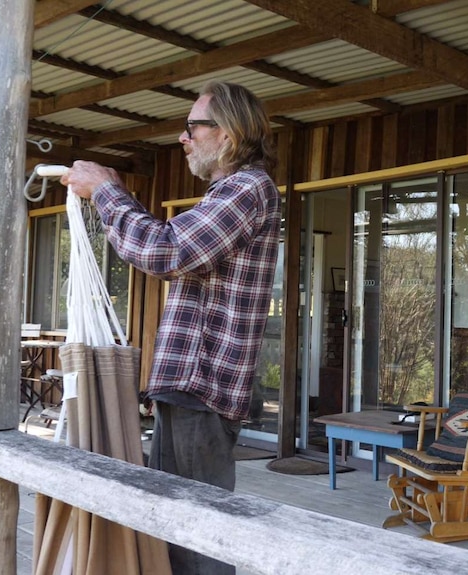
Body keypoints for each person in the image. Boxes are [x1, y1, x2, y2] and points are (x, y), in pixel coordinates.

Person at [62, 80, 281, 575]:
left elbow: (166, 251)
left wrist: (108, 193)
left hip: (201, 390)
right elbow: (168, 246)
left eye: (192, 127)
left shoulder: (249, 189)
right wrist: (110, 195)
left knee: (195, 538)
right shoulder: (225, 196)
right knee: (174, 532)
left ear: (226, 134)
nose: (183, 138)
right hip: (188, 392)